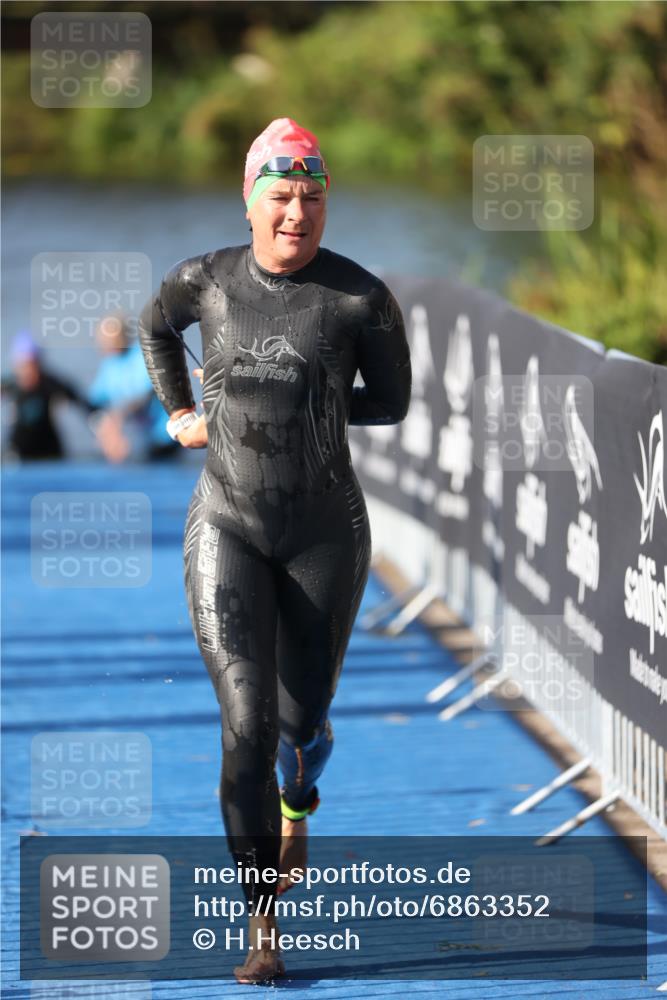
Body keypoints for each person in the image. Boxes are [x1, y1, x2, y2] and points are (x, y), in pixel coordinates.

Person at [138, 117, 411, 983]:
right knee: (245, 730)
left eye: (312, 198)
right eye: (282, 196)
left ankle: (300, 799)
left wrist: (315, 401)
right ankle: (262, 925)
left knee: (302, 724)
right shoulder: (207, 279)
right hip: (226, 525)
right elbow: (154, 327)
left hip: (323, 533)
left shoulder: (359, 299)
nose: (297, 214)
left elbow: (392, 402)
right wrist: (181, 413)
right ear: (250, 199)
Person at [88, 315, 181, 463]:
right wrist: (103, 427)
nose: (106, 343)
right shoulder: (109, 364)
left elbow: (146, 395)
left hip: (167, 435)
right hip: (142, 438)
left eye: (110, 338)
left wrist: (119, 416)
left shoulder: (142, 355)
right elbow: (94, 402)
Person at [1, 331, 94, 461]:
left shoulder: (51, 384)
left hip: (50, 451)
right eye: (24, 365)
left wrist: (102, 427)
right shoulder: (9, 385)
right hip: (18, 451)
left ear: (39, 363)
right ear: (16, 365)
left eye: (32, 364)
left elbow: (83, 404)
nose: (28, 371)